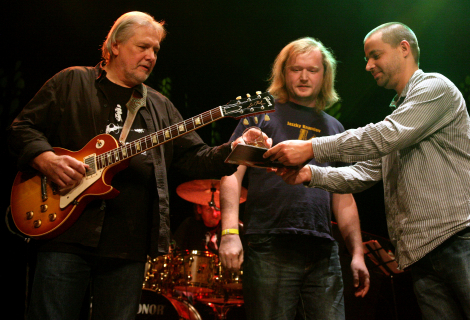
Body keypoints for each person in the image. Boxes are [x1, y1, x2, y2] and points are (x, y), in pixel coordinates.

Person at [8, 11, 244, 320]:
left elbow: (195, 159)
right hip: (65, 234)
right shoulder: (72, 81)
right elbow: (21, 129)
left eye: (156, 51)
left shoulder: (159, 106)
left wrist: (235, 150)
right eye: (143, 47)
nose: (151, 56)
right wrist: (46, 159)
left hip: (128, 244)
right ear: (115, 45)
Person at [268, 22, 470, 319]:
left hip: (458, 239)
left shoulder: (434, 87)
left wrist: (311, 148)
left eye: (375, 55)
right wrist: (310, 174)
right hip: (422, 254)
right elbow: (363, 173)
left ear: (404, 49)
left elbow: (384, 135)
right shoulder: (403, 112)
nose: (368, 65)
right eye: (366, 58)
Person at [218, 37, 370, 320]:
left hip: (323, 251)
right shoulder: (261, 114)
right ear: (283, 73)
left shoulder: (334, 127)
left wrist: (357, 253)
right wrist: (229, 233)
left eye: (312, 70)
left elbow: (344, 194)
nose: (303, 76)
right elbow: (231, 173)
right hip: (270, 244)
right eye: (295, 69)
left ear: (324, 75)